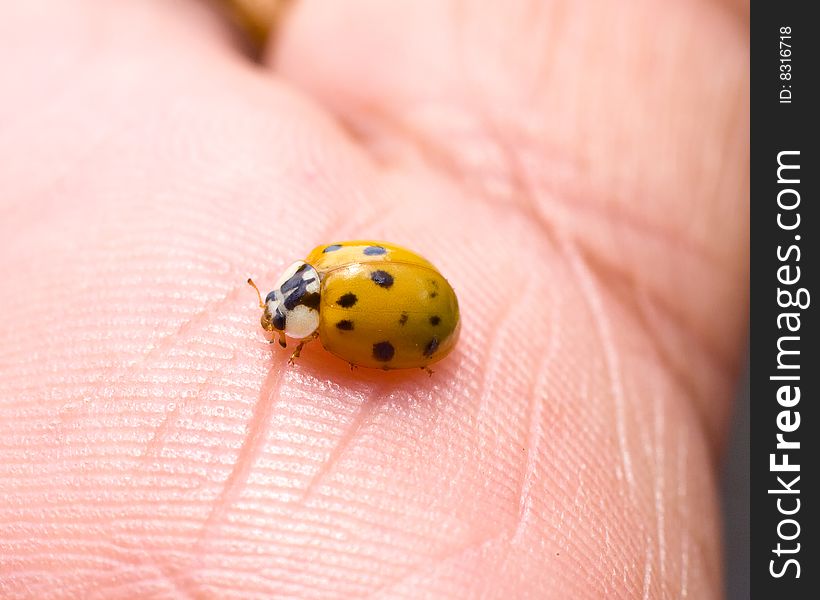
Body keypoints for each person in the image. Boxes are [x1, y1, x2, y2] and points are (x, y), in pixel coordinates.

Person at [0, 0, 748, 597]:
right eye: (279, 313)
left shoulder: (327, 314)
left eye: (279, 316)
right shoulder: (322, 276)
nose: (279, 322)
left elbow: (378, 324)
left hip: (430, 317)